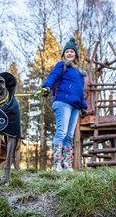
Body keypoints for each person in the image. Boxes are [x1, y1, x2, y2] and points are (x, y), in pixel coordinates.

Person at [38, 37, 88, 172]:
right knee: (61, 132)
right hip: (62, 102)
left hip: (75, 106)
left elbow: (80, 92)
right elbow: (53, 76)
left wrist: (84, 106)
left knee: (69, 136)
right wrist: (46, 86)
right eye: (67, 51)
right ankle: (57, 165)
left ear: (76, 55)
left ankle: (67, 165)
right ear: (64, 54)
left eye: (72, 51)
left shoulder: (79, 74)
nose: (70, 53)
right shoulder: (62, 65)